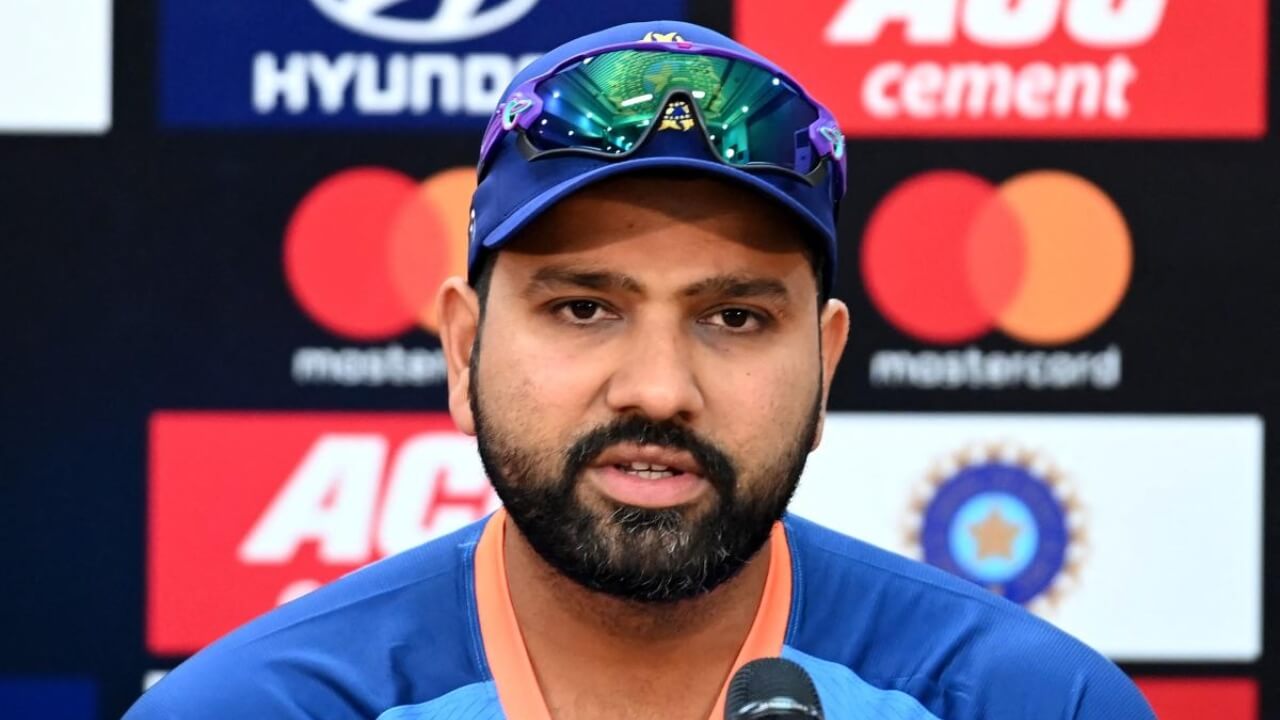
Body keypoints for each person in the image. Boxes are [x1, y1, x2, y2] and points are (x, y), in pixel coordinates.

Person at [125, 20, 1156, 720]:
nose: (658, 389)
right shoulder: (253, 708)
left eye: (735, 317)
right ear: (464, 349)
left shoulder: (1026, 703)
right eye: (584, 309)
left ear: (825, 362)